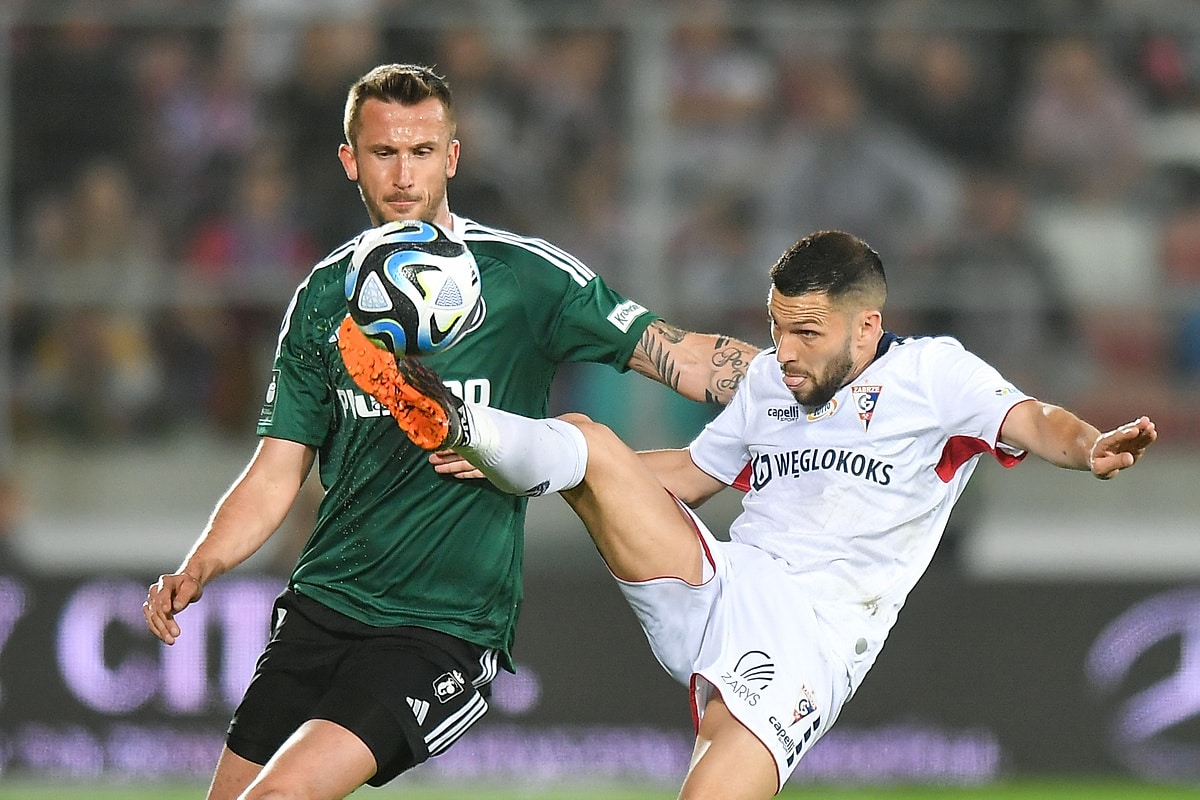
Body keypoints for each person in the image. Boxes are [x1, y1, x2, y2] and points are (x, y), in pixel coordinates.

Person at [352, 229, 1158, 799]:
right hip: (721, 579)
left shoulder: (934, 376)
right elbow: (691, 477)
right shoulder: (772, 381)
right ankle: (467, 427)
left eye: (808, 332)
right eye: (778, 328)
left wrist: (1089, 447)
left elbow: (1035, 420)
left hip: (809, 638)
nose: (788, 350)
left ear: (867, 325)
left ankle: (497, 440)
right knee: (588, 443)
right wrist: (524, 472)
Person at [142, 63, 759, 800]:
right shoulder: (322, 301)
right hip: (322, 605)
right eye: (383, 153)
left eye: (422, 151)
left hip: (441, 628)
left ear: (453, 157)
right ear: (350, 161)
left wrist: (827, 378)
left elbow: (683, 357)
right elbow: (275, 473)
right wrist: (200, 566)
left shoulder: (525, 279)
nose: (404, 174)